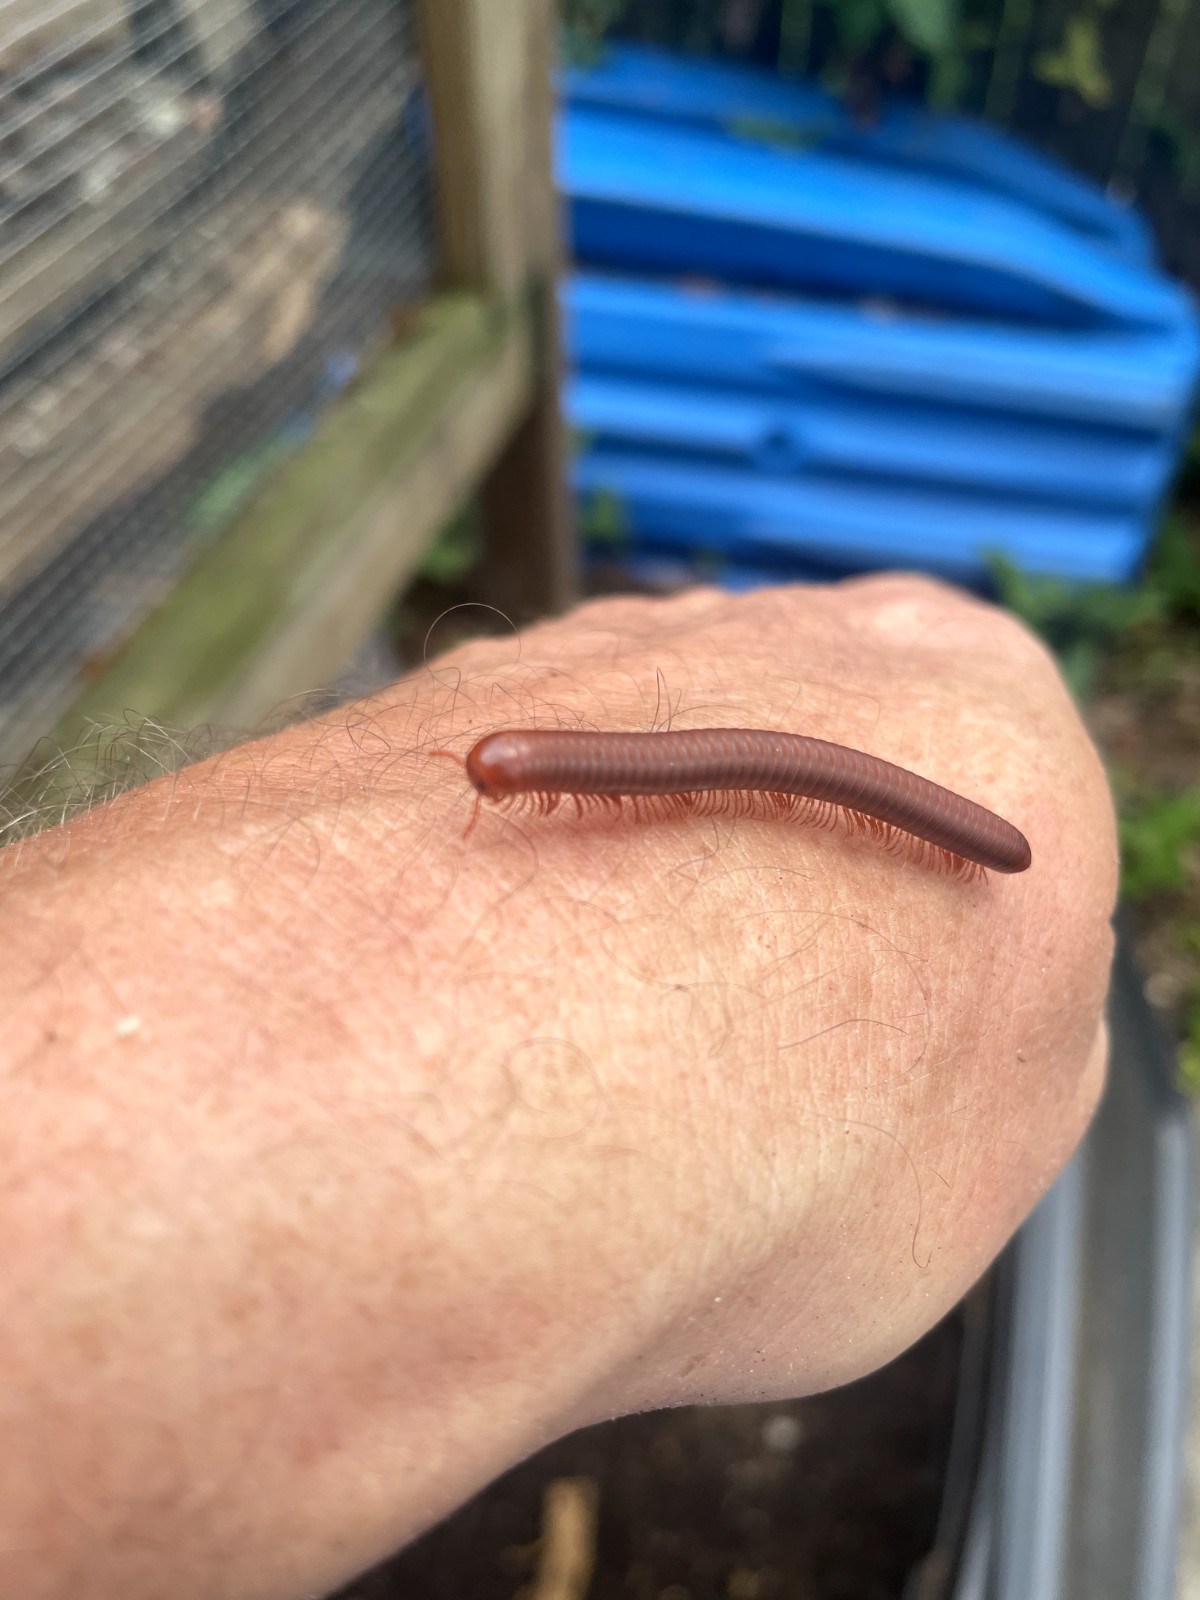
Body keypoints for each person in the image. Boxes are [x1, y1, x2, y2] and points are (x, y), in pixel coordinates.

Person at [0, 576, 1115, 1600]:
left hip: (958, 830)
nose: (490, 786)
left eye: (498, 776)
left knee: (808, 778)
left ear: (524, 772)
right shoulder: (546, 775)